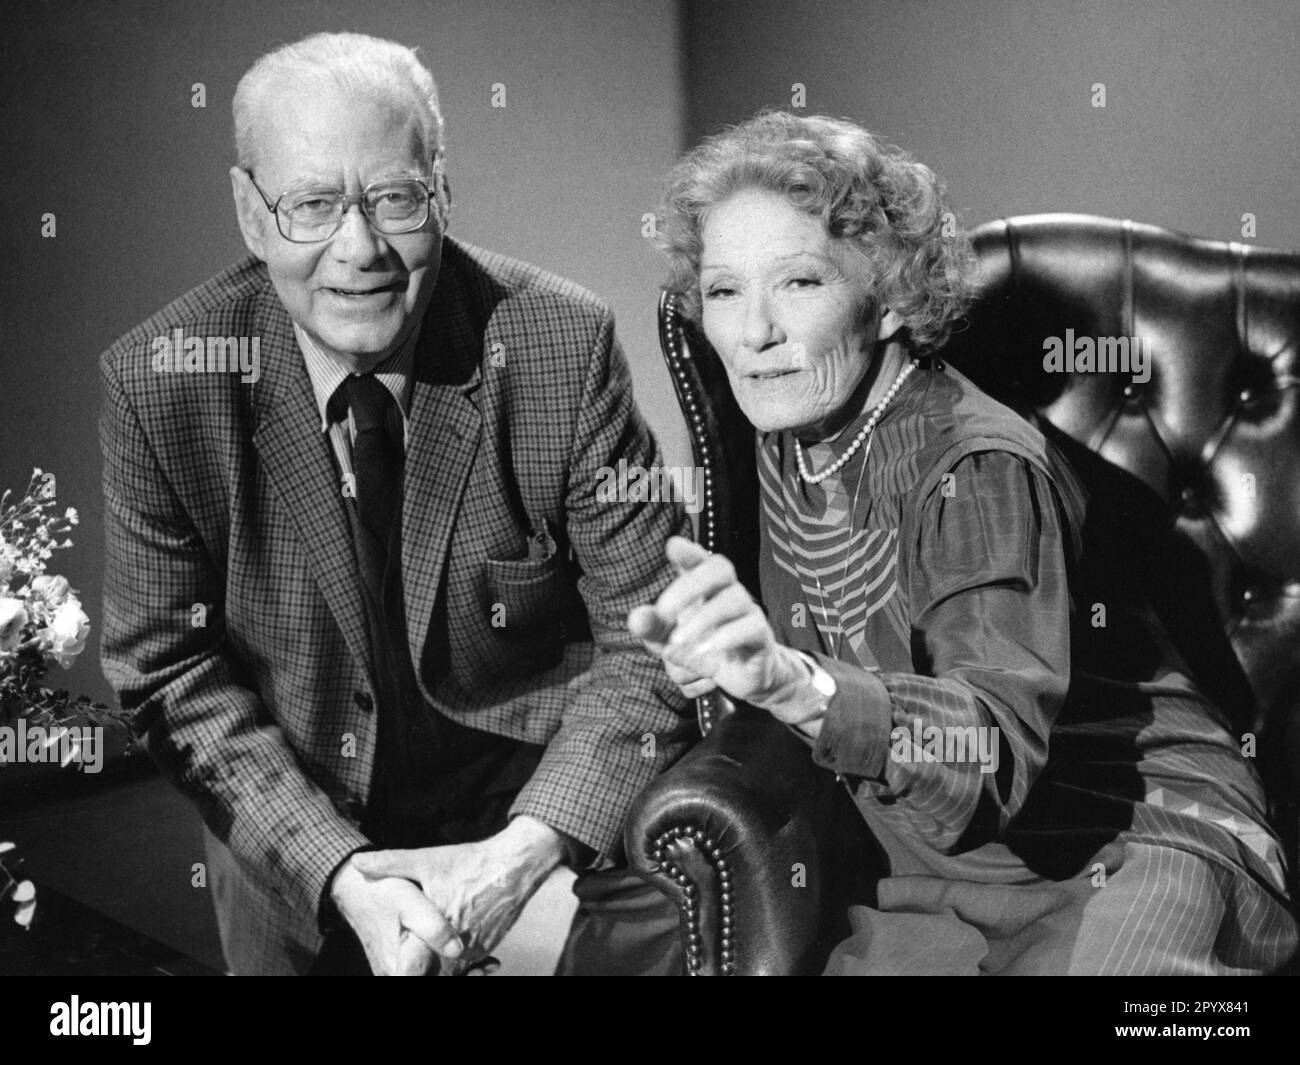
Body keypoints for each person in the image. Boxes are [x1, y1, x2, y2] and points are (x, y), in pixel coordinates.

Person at [630, 110, 1299, 974]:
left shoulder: (978, 469)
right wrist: (723, 660)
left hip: (1131, 840)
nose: (754, 333)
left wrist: (795, 683)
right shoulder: (787, 426)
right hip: (933, 869)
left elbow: (985, 750)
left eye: (798, 283)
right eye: (724, 290)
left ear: (892, 300)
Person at [99, 31, 692, 976]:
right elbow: (168, 669)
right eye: (313, 205)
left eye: (394, 198)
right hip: (296, 827)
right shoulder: (162, 382)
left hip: (528, 813)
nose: (360, 248)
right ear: (251, 216)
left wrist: (521, 853)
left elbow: (654, 632)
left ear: (442, 191)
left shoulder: (559, 344)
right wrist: (337, 871)